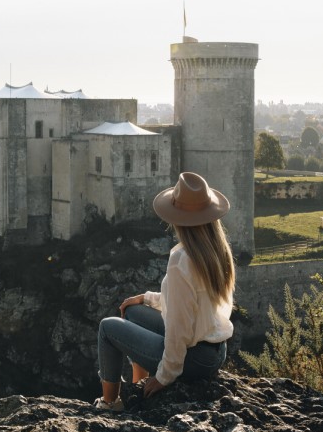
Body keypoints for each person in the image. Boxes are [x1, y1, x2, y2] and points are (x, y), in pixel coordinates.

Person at [94, 171, 235, 411]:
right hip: (215, 352)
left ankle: (110, 403)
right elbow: (193, 302)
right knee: (133, 311)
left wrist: (164, 376)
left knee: (107, 328)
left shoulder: (182, 259)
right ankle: (138, 382)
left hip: (193, 360)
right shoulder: (215, 250)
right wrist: (148, 299)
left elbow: (180, 326)